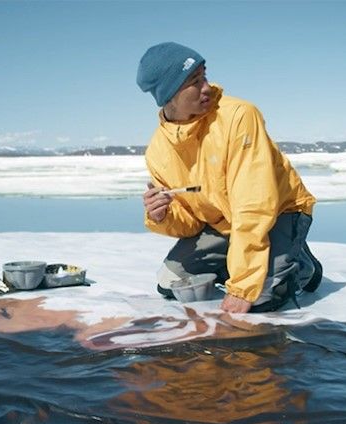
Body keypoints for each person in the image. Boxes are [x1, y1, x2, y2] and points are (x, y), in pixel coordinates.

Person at [136, 42, 322, 313]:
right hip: (226, 223)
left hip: (279, 212)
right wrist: (162, 216)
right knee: (171, 283)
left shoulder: (238, 116)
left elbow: (254, 204)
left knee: (260, 298)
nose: (207, 88)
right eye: (195, 81)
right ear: (170, 94)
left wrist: (243, 287)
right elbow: (191, 222)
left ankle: (304, 266)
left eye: (205, 76)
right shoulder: (158, 151)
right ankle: (251, 262)